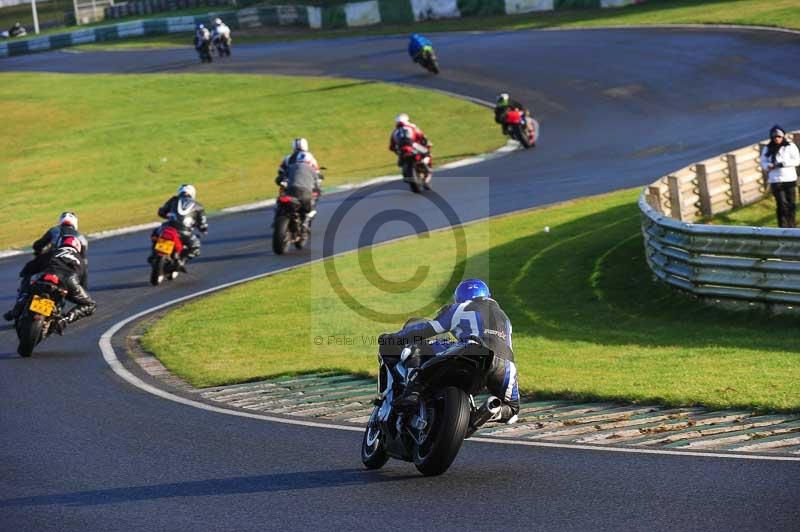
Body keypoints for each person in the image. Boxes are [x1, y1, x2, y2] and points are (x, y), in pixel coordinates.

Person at [380, 279, 519, 424]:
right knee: (513, 409)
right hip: (505, 364)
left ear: (460, 297)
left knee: (420, 346)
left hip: (472, 349)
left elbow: (427, 329)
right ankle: (489, 411)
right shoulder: (505, 318)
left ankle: (412, 393)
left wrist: (394, 338)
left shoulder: (462, 307)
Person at [3, 212, 88, 321]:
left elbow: (37, 245)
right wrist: (82, 287)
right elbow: (84, 263)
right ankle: (60, 317)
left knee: (28, 278)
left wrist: (38, 254)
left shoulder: (54, 230)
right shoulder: (82, 239)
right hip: (70, 273)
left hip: (48, 262)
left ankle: (17, 308)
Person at [4, 237, 95, 333]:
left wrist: (25, 274)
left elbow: (26, 269)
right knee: (90, 304)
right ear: (78, 248)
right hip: (68, 280)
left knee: (27, 279)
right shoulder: (81, 260)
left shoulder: (52, 252)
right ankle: (64, 320)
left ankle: (17, 308)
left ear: (60, 244)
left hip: (46, 275)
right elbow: (84, 285)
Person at [156, 184, 208, 270]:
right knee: (195, 247)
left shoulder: (173, 200)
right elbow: (202, 222)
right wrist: (203, 229)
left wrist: (167, 215)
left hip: (167, 228)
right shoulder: (198, 206)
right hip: (184, 232)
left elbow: (161, 212)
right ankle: (181, 261)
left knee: (156, 233)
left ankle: (154, 254)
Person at [275, 138, 323, 227]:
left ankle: (278, 213)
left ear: (293, 146)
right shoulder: (310, 157)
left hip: (289, 185)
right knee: (315, 193)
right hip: (305, 186)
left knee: (281, 196)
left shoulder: (288, 158)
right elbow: (316, 173)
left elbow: (280, 172)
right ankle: (308, 213)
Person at [760, 125, 800, 228]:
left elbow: (797, 160)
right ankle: (782, 227)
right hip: (776, 180)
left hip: (790, 179)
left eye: (779, 137)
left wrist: (783, 163)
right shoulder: (767, 148)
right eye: (775, 137)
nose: (777, 139)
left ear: (783, 137)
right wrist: (768, 166)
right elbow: (763, 162)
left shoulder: (790, 146)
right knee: (782, 204)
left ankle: (792, 226)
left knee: (791, 203)